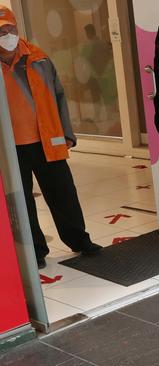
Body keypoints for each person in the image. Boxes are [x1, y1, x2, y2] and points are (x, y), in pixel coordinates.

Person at [0, 6, 102, 269]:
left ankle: (80, 241)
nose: (7, 34)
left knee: (63, 193)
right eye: (1, 31)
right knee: (21, 202)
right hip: (8, 149)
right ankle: (35, 251)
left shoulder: (38, 58)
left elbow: (59, 97)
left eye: (10, 28)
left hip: (47, 140)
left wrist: (67, 133)